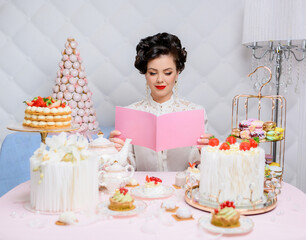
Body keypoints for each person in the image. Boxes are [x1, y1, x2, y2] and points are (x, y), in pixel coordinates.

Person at [109, 32, 212, 171]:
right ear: (145, 74)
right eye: (153, 73)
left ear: (177, 73)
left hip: (182, 189)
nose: (160, 80)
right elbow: (126, 167)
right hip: (142, 189)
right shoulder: (131, 113)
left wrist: (205, 152)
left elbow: (199, 165)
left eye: (167, 73)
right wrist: (115, 152)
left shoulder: (194, 112)